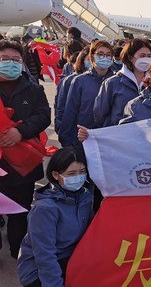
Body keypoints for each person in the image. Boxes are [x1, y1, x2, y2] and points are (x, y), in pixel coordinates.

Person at [0, 40, 50, 259]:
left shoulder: (34, 89)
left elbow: (43, 116)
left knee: (20, 211)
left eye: (15, 60)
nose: (11, 64)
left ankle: (17, 251)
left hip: (24, 163)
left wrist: (20, 132)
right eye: (5, 59)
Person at [17, 147, 94, 287]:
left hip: (72, 258)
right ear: (56, 175)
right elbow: (44, 255)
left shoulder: (85, 197)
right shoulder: (45, 209)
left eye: (82, 172)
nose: (78, 177)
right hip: (41, 269)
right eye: (71, 173)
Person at [59, 41, 114, 146]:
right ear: (92, 56)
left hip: (106, 141)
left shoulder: (116, 82)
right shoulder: (80, 81)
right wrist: (66, 140)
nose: (105, 58)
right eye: (100, 54)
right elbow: (70, 113)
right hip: (81, 140)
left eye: (108, 55)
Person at [93, 39, 151, 127]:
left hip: (145, 136)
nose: (146, 59)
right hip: (118, 136)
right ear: (130, 57)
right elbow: (100, 115)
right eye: (142, 56)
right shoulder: (112, 83)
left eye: (149, 56)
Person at [54, 48, 90, 134]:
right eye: (89, 59)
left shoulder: (106, 81)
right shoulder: (69, 81)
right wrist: (61, 130)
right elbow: (60, 108)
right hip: (73, 133)